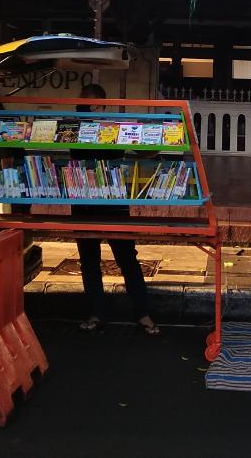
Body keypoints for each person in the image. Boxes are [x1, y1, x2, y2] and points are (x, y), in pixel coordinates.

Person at [73, 83, 159, 336]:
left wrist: (152, 138)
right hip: (83, 197)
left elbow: (151, 150)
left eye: (94, 104)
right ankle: (96, 312)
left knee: (126, 257)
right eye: (85, 103)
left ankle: (142, 312)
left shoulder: (116, 128)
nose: (89, 108)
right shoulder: (73, 127)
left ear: (103, 104)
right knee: (89, 259)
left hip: (114, 199)